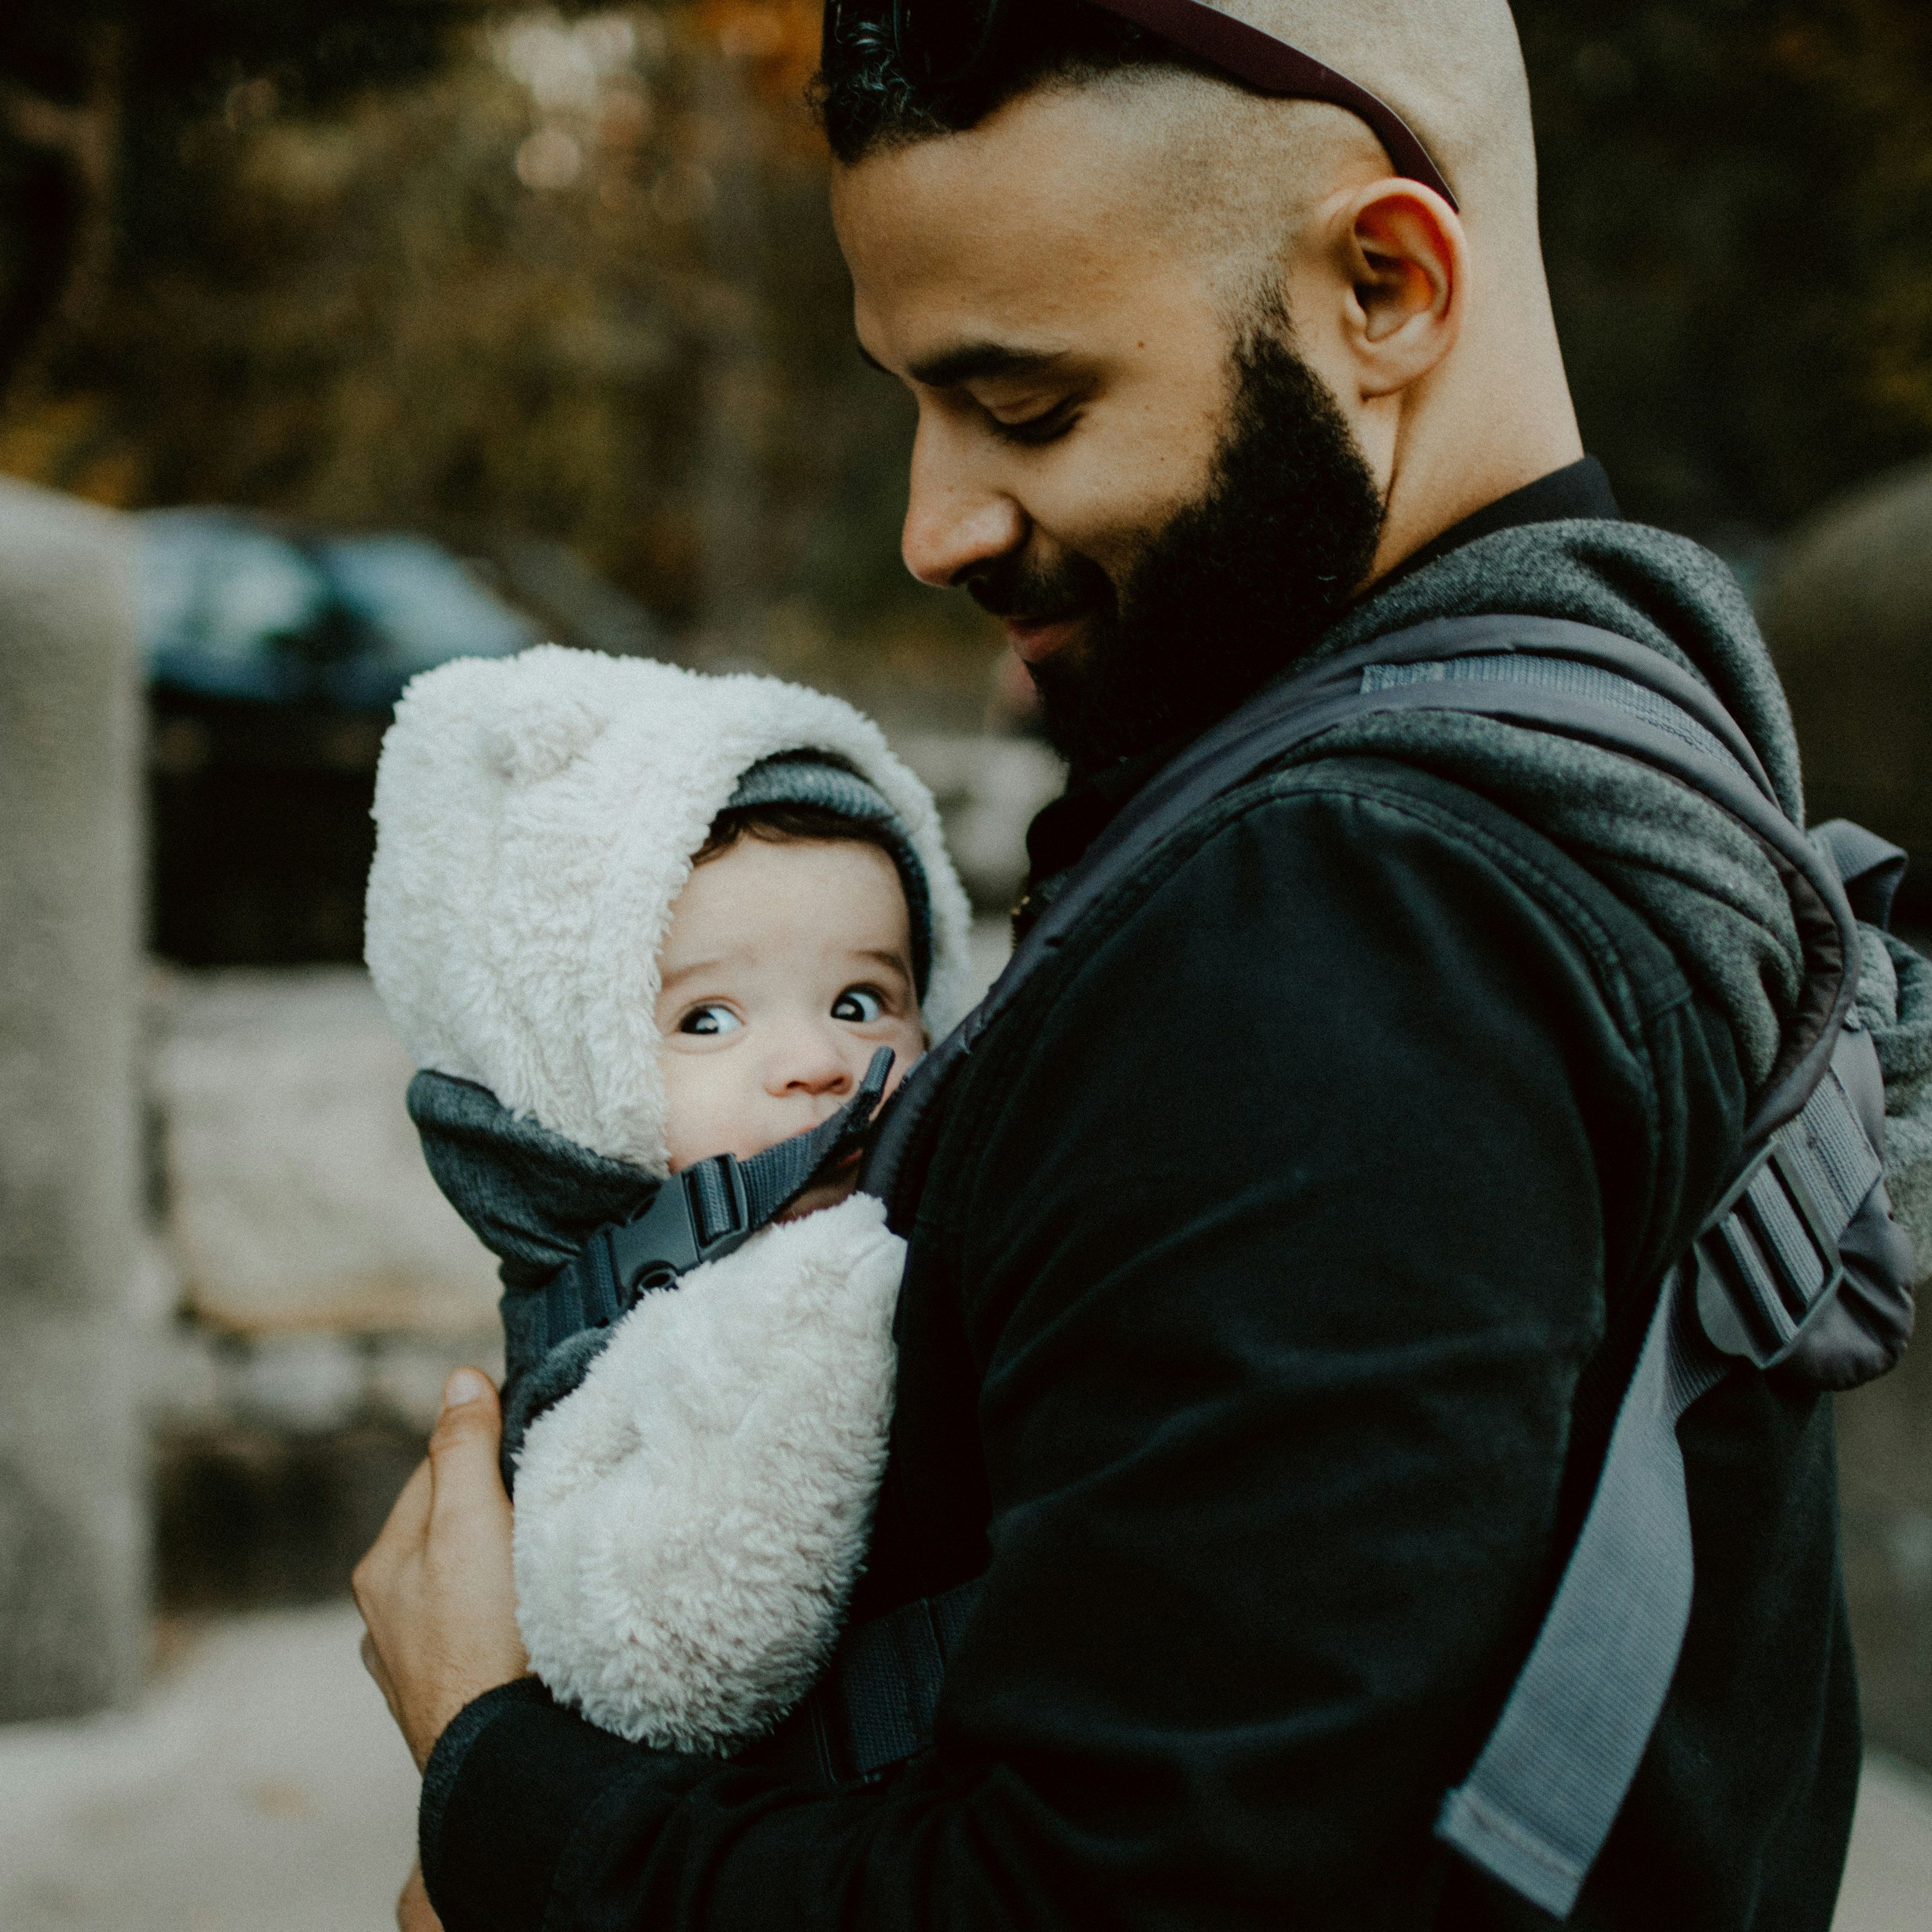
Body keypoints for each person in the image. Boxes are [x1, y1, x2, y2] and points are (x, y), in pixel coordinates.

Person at [355, 5, 1928, 1927]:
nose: (940, 523)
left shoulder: (1347, 923)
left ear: (1385, 283)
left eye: (1027, 407)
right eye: (912, 401)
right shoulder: (1638, 724)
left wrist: (499, 1774)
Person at [360, 644, 972, 1747]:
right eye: (709, 1019)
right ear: (570, 1083)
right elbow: (677, 1647)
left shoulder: (955, 1241)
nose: (818, 1064)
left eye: (861, 999)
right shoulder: (607, 1343)